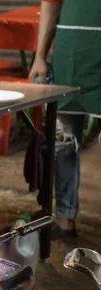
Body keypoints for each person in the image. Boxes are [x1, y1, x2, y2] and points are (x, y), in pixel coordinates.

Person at [29, 0, 99, 237]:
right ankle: (64, 217)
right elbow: (51, 3)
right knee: (64, 142)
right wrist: (40, 56)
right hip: (70, 60)